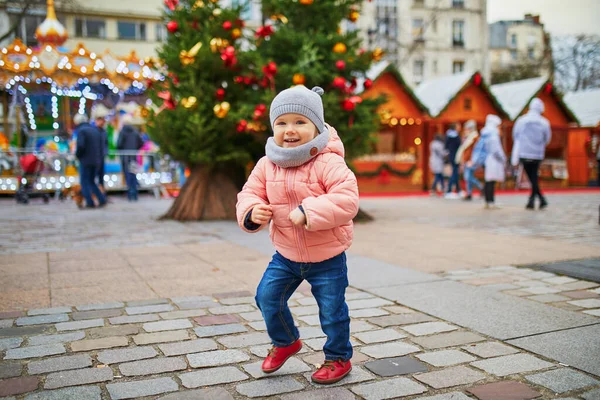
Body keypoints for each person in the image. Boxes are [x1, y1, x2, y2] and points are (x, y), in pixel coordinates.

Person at [236, 86, 359, 385]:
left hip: (327, 255)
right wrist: (252, 211)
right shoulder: (267, 164)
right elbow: (249, 192)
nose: (290, 130)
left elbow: (347, 199)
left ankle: (338, 357)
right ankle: (286, 341)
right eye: (282, 123)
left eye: (300, 122)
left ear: (316, 126)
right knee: (267, 297)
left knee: (332, 311)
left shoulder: (328, 161)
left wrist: (309, 210)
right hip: (287, 254)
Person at [511, 98, 551, 210]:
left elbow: (515, 135)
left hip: (524, 153)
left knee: (532, 176)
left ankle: (534, 200)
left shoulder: (522, 120)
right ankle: (537, 199)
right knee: (534, 176)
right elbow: (547, 138)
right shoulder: (544, 122)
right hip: (537, 153)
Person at [74, 113, 106, 208]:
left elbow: (81, 146)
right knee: (92, 181)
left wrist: (77, 155)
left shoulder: (81, 131)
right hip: (96, 160)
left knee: (85, 182)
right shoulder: (95, 130)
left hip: (85, 160)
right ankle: (101, 199)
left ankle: (89, 202)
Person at [117, 115, 144, 201]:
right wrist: (135, 149)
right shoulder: (135, 132)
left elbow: (119, 144)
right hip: (133, 157)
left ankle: (130, 194)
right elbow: (141, 142)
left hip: (125, 157)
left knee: (128, 175)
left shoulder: (122, 132)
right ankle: (135, 194)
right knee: (133, 174)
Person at [482, 114, 506, 209]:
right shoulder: (493, 135)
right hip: (493, 160)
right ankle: (490, 200)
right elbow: (496, 150)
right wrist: (503, 158)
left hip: (487, 159)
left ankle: (489, 200)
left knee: (489, 180)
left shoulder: (486, 133)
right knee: (491, 181)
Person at [455, 120, 483, 200]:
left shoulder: (475, 137)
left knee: (468, 177)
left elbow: (475, 150)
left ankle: (481, 187)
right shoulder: (469, 137)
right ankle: (469, 193)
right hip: (467, 159)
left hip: (471, 160)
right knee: (468, 176)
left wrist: (472, 160)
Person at [92, 109, 109, 192]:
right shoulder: (94, 131)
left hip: (101, 156)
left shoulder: (104, 132)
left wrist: (105, 152)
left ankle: (101, 193)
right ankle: (95, 193)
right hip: (95, 157)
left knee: (101, 177)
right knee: (94, 176)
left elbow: (106, 143)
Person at [444, 123, 462, 198]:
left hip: (451, 156)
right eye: (458, 126)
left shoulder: (448, 135)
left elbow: (446, 146)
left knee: (455, 173)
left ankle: (458, 190)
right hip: (456, 157)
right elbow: (459, 146)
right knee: (454, 173)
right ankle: (449, 190)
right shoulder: (456, 136)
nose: (460, 127)